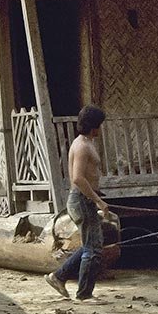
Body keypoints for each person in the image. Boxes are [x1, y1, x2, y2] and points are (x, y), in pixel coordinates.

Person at [45, 105, 110, 301]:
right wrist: (98, 201)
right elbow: (78, 178)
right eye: (99, 126)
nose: (100, 129)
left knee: (92, 244)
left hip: (85, 198)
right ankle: (84, 294)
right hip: (82, 200)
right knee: (93, 249)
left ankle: (59, 276)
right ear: (93, 127)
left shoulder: (86, 142)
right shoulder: (82, 146)